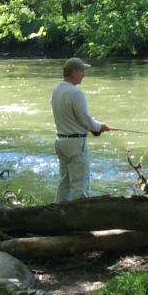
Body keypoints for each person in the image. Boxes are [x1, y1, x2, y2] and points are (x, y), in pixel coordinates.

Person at [51, 57, 110, 203]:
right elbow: (84, 118)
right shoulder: (76, 93)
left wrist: (94, 126)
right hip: (75, 143)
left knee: (64, 183)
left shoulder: (57, 89)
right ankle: (81, 221)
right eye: (82, 71)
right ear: (74, 71)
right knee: (80, 186)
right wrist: (99, 127)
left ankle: (58, 214)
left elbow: (79, 118)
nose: (84, 74)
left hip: (61, 141)